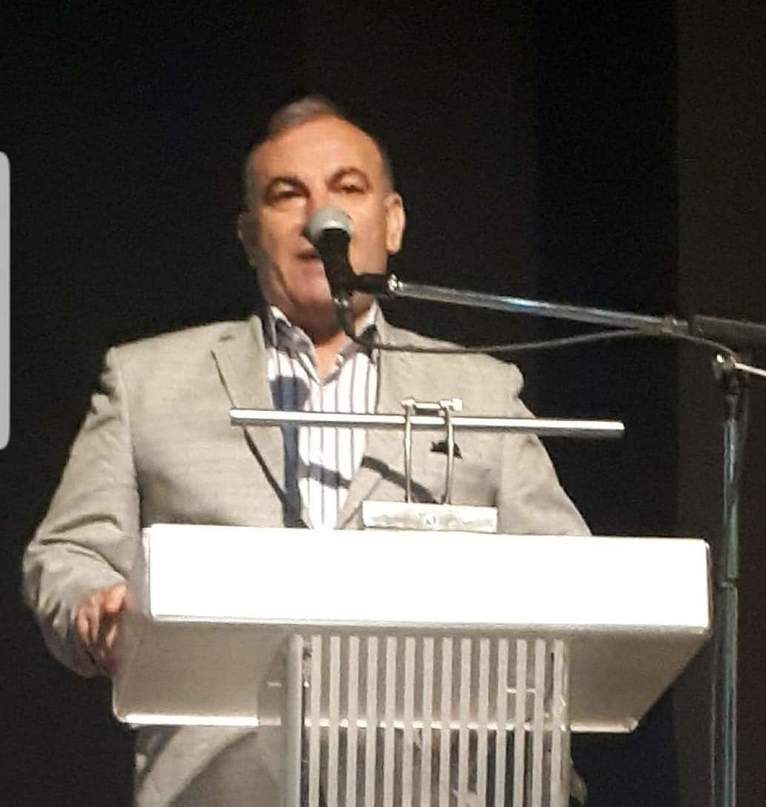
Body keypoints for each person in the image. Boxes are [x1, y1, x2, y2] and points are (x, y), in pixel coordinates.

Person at [23, 96, 589, 806]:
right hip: (218, 778)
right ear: (249, 234)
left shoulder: (479, 389)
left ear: (393, 221)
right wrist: (91, 610)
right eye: (287, 195)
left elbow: (572, 580)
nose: (321, 216)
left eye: (347, 188)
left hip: (435, 779)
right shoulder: (147, 381)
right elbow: (67, 552)